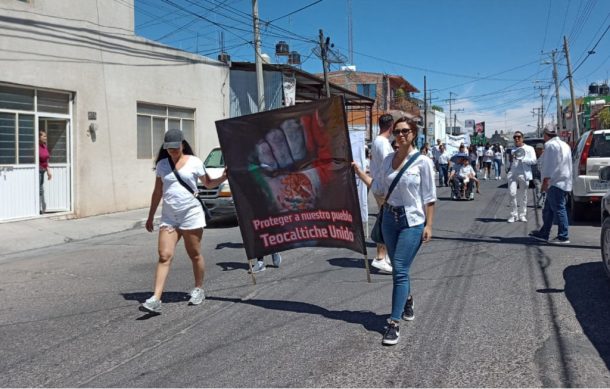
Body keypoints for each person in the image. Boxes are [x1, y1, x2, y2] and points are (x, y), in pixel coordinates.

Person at [141, 129, 228, 313]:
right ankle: (156, 297)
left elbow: (208, 184)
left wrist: (223, 177)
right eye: (169, 149)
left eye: (175, 148)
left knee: (194, 254)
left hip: (191, 214)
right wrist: (150, 217)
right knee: (164, 255)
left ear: (182, 144)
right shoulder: (162, 165)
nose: (172, 151)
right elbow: (158, 192)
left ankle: (198, 289)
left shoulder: (194, 162)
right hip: (169, 217)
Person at [379, 116, 436, 345]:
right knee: (398, 269)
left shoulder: (423, 162)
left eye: (405, 131)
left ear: (413, 134)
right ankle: (408, 299)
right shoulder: (387, 160)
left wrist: (429, 225)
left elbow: (430, 198)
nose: (400, 135)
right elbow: (379, 188)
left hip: (412, 221)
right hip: (389, 220)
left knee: (400, 269)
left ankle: (393, 323)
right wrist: (356, 172)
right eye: (397, 131)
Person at [529, 126, 572, 244]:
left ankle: (563, 236)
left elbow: (548, 165)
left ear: (546, 135)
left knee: (559, 208)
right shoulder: (565, 145)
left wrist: (545, 182)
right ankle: (544, 233)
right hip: (564, 180)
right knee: (548, 209)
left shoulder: (550, 146)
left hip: (554, 181)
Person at [368, 114, 396, 274]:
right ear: (391, 126)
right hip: (384, 188)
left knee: (385, 220)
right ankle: (380, 257)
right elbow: (389, 166)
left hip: (379, 185)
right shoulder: (383, 143)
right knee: (387, 222)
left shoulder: (377, 141)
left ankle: (384, 256)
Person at [506, 131, 537, 223]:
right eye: (515, 137)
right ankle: (513, 215)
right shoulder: (512, 150)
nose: (516, 139)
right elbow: (508, 163)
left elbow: (534, 161)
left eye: (518, 137)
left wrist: (522, 159)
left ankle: (522, 215)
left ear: (522, 138)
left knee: (523, 195)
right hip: (513, 174)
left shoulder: (529, 148)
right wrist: (510, 162)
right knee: (512, 194)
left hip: (524, 174)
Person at [38, 130, 52, 214]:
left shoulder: (44, 146)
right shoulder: (36, 146)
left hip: (42, 171)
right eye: (44, 136)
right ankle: (39, 209)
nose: (45, 138)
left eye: (46, 136)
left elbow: (46, 160)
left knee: (41, 190)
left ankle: (41, 208)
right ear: (39, 137)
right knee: (39, 190)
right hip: (37, 171)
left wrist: (48, 171)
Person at [531, 143, 546, 208]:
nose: (539, 150)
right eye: (538, 149)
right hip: (536, 176)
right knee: (538, 188)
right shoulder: (533, 156)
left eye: (540, 149)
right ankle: (540, 203)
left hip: (544, 176)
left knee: (544, 190)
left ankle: (544, 202)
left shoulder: (546, 156)